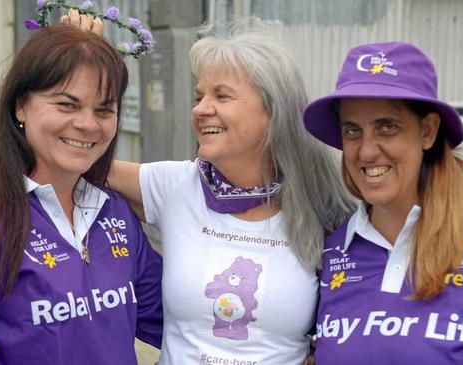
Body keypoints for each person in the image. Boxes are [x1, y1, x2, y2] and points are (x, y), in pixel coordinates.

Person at [0, 24, 162, 365]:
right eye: (67, 104)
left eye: (103, 109)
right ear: (21, 106)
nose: (88, 124)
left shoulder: (112, 210)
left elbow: (190, 320)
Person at [102, 29, 355, 364]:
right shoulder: (176, 185)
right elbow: (78, 161)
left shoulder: (322, 204)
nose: (201, 110)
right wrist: (81, 58)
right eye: (199, 97)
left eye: (221, 97)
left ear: (273, 112)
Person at [303, 41, 463, 364]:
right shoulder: (334, 249)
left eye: (387, 127)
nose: (366, 151)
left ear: (428, 131)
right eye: (352, 131)